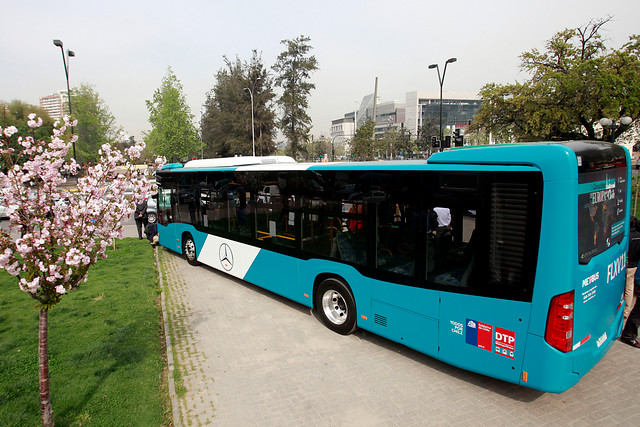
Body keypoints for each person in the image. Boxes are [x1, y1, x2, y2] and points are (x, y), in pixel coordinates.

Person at [625, 216, 640, 320]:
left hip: (625, 264)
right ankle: (626, 310)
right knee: (629, 288)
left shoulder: (626, 237)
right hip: (634, 265)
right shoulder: (639, 236)